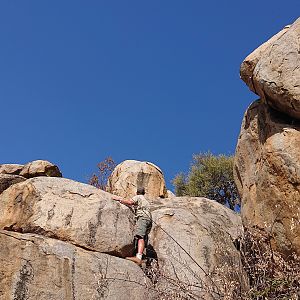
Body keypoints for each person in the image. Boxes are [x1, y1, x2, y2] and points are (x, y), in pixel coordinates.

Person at [112, 187, 152, 266]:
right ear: (144, 193)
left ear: (137, 192)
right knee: (143, 237)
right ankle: (141, 256)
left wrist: (119, 199)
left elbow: (130, 202)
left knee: (140, 236)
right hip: (149, 219)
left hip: (142, 217)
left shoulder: (138, 197)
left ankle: (138, 257)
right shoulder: (146, 201)